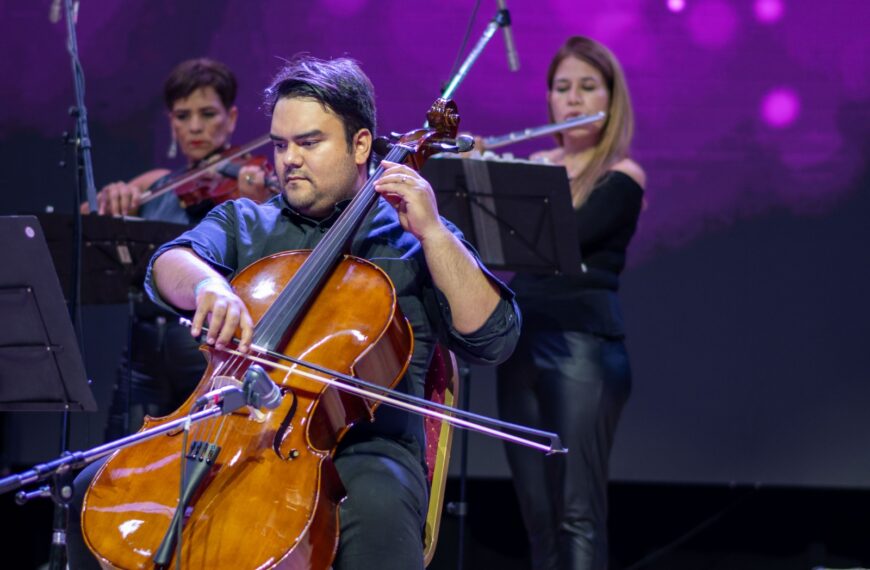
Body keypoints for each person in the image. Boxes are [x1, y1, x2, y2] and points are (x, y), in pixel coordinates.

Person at [67, 55, 520, 570]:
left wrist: (435, 234)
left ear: (361, 145)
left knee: (377, 515)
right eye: (281, 145)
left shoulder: (412, 238)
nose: (288, 160)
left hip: (365, 450)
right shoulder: (247, 221)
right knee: (93, 488)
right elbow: (167, 266)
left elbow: (494, 337)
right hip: (232, 429)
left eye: (308, 143)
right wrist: (208, 286)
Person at [494, 36, 646, 570]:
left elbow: (563, 237)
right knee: (538, 518)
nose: (574, 100)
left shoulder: (622, 177)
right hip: (522, 343)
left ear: (611, 98)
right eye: (563, 88)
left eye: (588, 87)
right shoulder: (537, 165)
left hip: (582, 347)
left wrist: (506, 180)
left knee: (576, 513)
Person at [87, 57, 273, 440]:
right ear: (171, 122)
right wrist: (114, 197)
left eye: (207, 114)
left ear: (231, 118)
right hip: (142, 347)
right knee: (118, 458)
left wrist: (260, 202)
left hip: (206, 347)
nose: (194, 127)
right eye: (182, 116)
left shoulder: (250, 185)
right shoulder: (157, 183)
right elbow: (81, 224)